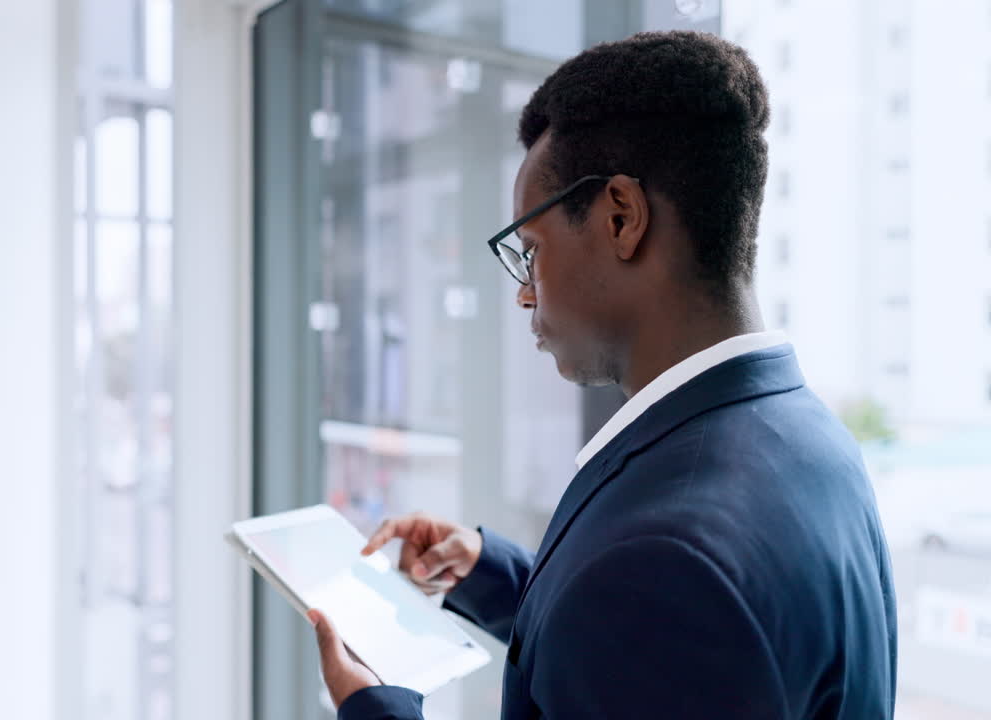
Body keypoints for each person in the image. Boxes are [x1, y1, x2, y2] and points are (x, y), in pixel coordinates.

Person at [307, 30, 897, 719]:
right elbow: (667, 647)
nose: (526, 293)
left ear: (622, 217)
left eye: (531, 250)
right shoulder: (809, 439)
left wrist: (377, 710)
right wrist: (493, 575)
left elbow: (659, 603)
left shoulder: (661, 560)